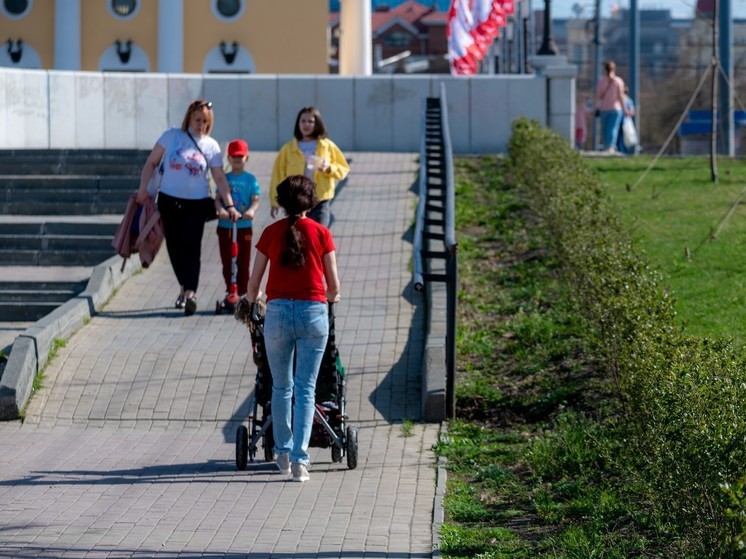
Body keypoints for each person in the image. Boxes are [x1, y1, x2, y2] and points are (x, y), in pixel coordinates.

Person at [245, 175, 341, 482]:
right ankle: (301, 461)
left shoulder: (270, 233)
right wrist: (331, 296)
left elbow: (253, 284)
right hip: (313, 312)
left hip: (278, 313)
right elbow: (333, 285)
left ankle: (283, 453)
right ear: (311, 203)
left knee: (281, 386)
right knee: (306, 388)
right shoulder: (322, 233)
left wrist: (252, 300)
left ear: (282, 203)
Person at [136, 99, 241, 316]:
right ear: (189, 118)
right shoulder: (172, 136)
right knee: (174, 247)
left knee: (192, 247)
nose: (201, 125)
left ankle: (190, 293)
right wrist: (143, 188)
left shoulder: (211, 145)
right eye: (197, 120)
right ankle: (183, 287)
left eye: (205, 121)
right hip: (168, 199)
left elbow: (219, 177)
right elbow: (151, 162)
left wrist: (229, 203)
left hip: (197, 202)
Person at [270, 107, 349, 228]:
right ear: (298, 123)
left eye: (311, 121)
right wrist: (275, 202)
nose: (306, 124)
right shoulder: (288, 149)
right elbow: (277, 175)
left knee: (319, 235)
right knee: (299, 238)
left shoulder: (327, 146)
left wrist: (329, 168)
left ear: (317, 124)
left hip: (320, 200)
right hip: (296, 201)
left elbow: (343, 169)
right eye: (303, 121)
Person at [215, 139, 261, 311]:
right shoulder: (224, 178)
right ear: (228, 157)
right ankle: (230, 291)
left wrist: (251, 211)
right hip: (226, 226)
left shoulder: (250, 179)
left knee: (243, 261)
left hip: (243, 227)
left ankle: (242, 293)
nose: (237, 159)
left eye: (240, 156)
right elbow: (218, 200)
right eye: (233, 156)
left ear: (246, 158)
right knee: (228, 261)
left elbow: (255, 200)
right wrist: (221, 210)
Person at [594, 60, 626, 153]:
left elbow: (598, 96)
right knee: (613, 128)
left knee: (604, 128)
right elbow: (621, 96)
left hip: (604, 108)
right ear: (614, 69)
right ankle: (610, 147)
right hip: (616, 108)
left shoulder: (601, 81)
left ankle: (605, 146)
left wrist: (594, 107)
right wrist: (625, 109)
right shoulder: (618, 81)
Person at [616, 86, 638, 155]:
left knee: (621, 137)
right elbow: (632, 111)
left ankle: (622, 151)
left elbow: (632, 111)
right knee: (623, 137)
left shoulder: (624, 100)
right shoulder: (629, 100)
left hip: (622, 121)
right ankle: (623, 151)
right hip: (623, 121)